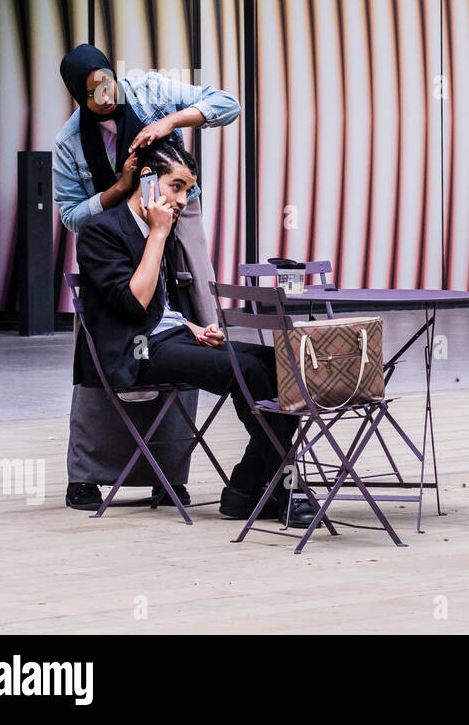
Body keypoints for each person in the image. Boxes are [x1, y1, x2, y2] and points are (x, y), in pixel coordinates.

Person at [71, 142, 314, 528]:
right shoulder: (102, 230)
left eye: (188, 190)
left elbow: (159, 308)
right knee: (248, 371)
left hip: (171, 339)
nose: (183, 199)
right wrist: (157, 235)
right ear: (147, 179)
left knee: (277, 364)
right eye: (176, 186)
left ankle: (248, 488)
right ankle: (278, 488)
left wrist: (193, 327)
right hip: (134, 352)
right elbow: (134, 305)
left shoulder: (159, 227)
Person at [54, 44, 241, 511]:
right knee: (106, 342)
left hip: (177, 213)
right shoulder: (69, 143)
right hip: (115, 231)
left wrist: (171, 122)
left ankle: (169, 472)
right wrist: (119, 189)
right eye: (91, 90)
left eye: (106, 79)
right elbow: (72, 216)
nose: (104, 92)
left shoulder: (151, 89)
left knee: (194, 323)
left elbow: (227, 104)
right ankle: (86, 475)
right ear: (77, 95)